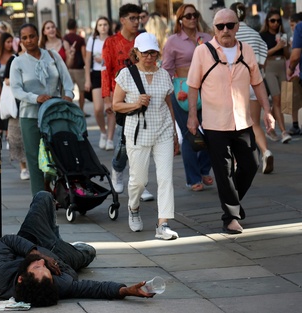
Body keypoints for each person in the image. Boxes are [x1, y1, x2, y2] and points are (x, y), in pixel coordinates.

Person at [186, 9, 275, 234]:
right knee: (223, 170)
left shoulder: (246, 50)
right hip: (215, 122)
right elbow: (193, 85)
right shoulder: (202, 52)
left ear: (237, 26)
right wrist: (192, 116)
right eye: (220, 26)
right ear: (213, 29)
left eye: (230, 25)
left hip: (243, 120)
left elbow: (257, 83)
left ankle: (232, 203)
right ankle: (231, 217)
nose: (225, 30)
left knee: (251, 164)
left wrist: (267, 110)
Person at [0, 191, 155, 307]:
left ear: (20, 278)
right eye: (45, 269)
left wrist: (37, 254)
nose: (41, 263)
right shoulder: (61, 284)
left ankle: (53, 234)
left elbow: (6, 241)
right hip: (59, 254)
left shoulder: (0, 276)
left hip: (30, 240)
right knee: (89, 251)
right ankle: (62, 242)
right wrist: (125, 290)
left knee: (43, 196)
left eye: (37, 267)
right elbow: (93, 288)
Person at [112, 33, 180, 237]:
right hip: (137, 132)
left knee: (166, 178)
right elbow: (116, 105)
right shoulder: (126, 74)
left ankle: (163, 225)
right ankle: (133, 208)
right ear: (136, 53)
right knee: (138, 181)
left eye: (153, 52)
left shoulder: (164, 74)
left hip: (163, 130)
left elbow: (169, 104)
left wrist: (176, 131)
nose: (150, 57)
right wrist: (136, 103)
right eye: (145, 53)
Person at [10, 23, 74, 196]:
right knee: (34, 158)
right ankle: (39, 198)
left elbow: (66, 80)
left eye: (32, 36)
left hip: (54, 113)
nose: (29, 40)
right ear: (20, 40)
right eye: (24, 37)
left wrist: (68, 96)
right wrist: (34, 98)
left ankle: (58, 192)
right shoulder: (18, 62)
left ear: (38, 36)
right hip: (29, 115)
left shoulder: (52, 56)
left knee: (57, 153)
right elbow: (16, 90)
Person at [102, 3, 154, 204]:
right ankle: (117, 167)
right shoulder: (112, 42)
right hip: (121, 98)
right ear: (122, 19)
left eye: (138, 18)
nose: (136, 22)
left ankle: (140, 183)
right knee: (125, 141)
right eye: (132, 18)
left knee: (142, 139)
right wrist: (107, 97)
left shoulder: (143, 39)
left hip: (143, 95)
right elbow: (106, 70)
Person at [162, 4, 214, 191]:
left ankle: (203, 168)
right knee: (190, 133)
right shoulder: (173, 41)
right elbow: (167, 69)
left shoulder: (207, 38)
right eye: (188, 16)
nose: (192, 18)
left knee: (212, 130)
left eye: (195, 15)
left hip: (207, 88)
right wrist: (165, 94)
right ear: (180, 20)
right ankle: (193, 178)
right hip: (182, 89)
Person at [230, 2, 273, 174]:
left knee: (233, 125)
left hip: (236, 84)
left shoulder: (229, 33)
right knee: (254, 122)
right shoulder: (255, 35)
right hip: (254, 83)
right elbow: (263, 60)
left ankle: (235, 161)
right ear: (245, 15)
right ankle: (265, 151)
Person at [260, 9, 292, 144]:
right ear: (267, 21)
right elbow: (262, 54)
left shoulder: (282, 34)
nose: (275, 23)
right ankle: (284, 131)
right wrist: (277, 46)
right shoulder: (263, 35)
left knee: (283, 100)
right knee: (276, 99)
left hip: (282, 66)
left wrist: (285, 46)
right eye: (272, 20)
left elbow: (288, 56)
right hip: (270, 67)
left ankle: (270, 127)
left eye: (278, 21)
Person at [84, 17, 114, 150]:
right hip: (96, 75)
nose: (103, 27)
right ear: (96, 27)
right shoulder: (92, 40)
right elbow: (87, 61)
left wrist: (104, 58)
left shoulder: (112, 40)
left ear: (109, 26)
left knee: (111, 108)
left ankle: (110, 138)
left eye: (105, 24)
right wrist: (87, 80)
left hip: (110, 74)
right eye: (100, 24)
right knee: (97, 109)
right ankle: (103, 131)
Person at [3, 45, 30, 181]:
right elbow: (6, 80)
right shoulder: (14, 59)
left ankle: (35, 165)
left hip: (33, 103)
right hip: (17, 104)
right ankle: (23, 167)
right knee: (17, 137)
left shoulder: (39, 57)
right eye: (24, 38)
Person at [63, 19, 87, 115]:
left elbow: (66, 52)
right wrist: (87, 67)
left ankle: (72, 110)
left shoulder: (65, 38)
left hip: (68, 68)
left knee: (69, 91)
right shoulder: (80, 39)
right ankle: (81, 110)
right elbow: (84, 54)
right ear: (76, 27)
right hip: (80, 68)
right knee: (81, 91)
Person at [0, 32, 14, 139]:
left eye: (11, 42)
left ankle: (8, 131)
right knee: (0, 109)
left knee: (11, 109)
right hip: (0, 86)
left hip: (12, 87)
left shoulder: (15, 55)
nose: (10, 44)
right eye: (8, 42)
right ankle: (1, 129)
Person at [288, 13, 302, 135]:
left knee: (292, 98)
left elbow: (295, 56)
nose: (292, 28)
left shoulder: (300, 29)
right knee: (291, 98)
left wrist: (291, 69)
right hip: (295, 73)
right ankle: (295, 124)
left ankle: (295, 125)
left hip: (296, 72)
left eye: (293, 25)